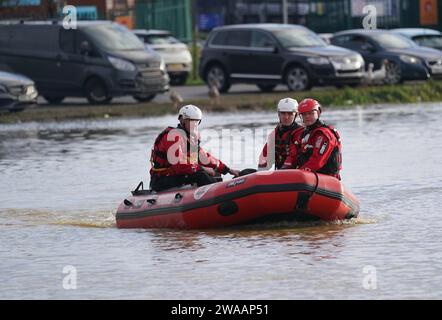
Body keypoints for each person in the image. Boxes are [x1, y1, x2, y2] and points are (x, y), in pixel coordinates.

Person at [149, 104, 240, 191]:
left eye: (197, 121)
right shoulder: (173, 137)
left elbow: (204, 158)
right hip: (162, 179)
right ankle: (219, 195)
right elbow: (180, 166)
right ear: (182, 120)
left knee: (215, 174)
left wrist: (227, 169)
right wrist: (203, 169)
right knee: (201, 175)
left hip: (175, 175)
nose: (195, 124)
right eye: (192, 121)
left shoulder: (190, 138)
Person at [283, 98, 342, 180]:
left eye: (310, 113)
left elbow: (317, 161)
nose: (307, 117)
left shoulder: (324, 135)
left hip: (326, 179)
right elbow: (293, 156)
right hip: (308, 178)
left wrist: (299, 174)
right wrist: (283, 171)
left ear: (318, 113)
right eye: (304, 114)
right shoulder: (303, 134)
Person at [258, 98, 303, 170]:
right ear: (279, 114)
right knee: (245, 172)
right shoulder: (275, 134)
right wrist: (259, 171)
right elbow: (264, 157)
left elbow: (293, 157)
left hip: (296, 173)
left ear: (296, 115)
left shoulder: (301, 133)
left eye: (290, 114)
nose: (286, 117)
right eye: (283, 113)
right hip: (280, 173)